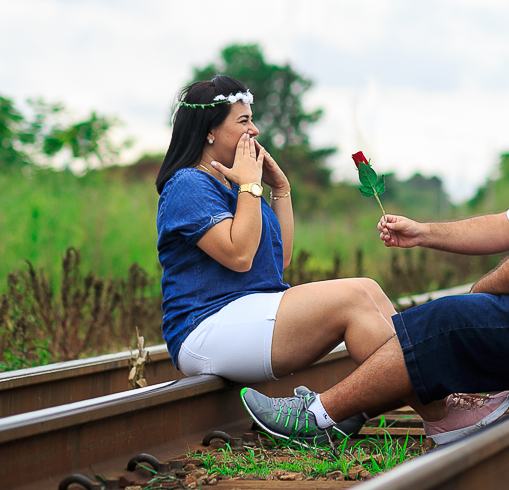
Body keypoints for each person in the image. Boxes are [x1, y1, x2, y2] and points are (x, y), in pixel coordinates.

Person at [241, 63, 509, 447]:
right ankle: (352, 408)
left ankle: (316, 417)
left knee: (445, 322)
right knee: (449, 319)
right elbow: (505, 226)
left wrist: (478, 296)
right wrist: (422, 232)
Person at [155, 75, 399, 428]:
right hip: (204, 326)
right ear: (210, 131)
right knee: (357, 294)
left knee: (370, 291)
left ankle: (373, 409)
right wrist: (250, 185)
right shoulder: (188, 184)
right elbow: (239, 255)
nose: (254, 130)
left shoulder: (233, 185)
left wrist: (280, 189)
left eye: (252, 120)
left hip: (246, 313)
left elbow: (278, 259)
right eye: (243, 121)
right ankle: (432, 412)